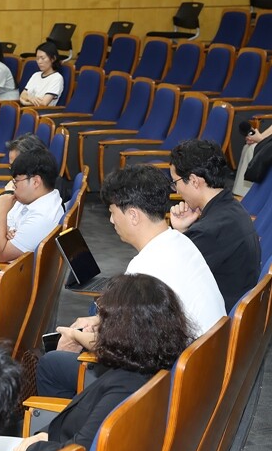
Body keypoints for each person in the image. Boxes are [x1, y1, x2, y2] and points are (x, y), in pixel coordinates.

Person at [36, 164, 225, 398]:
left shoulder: (144, 270)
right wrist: (98, 320)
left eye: (112, 212)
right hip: (201, 366)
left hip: (169, 383)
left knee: (51, 364)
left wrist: (75, 336)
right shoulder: (180, 241)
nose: (111, 220)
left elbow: (121, 349)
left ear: (133, 215)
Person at [12, 274, 190, 451]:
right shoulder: (154, 367)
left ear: (121, 329)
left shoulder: (124, 387)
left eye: (104, 318)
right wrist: (46, 436)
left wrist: (31, 449)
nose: (99, 325)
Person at [169, 139, 261, 312]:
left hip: (216, 319)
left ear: (194, 181)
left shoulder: (209, 231)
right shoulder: (230, 209)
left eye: (176, 182)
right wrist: (182, 230)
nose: (176, 190)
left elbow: (168, 280)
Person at [0, 148, 63, 263]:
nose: (13, 186)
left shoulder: (42, 217)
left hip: (10, 270)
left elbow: (0, 256)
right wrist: (6, 230)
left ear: (36, 182)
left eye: (16, 181)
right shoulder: (31, 198)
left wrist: (2, 212)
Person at [19, 41, 63, 107]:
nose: (39, 62)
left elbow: (43, 103)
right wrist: (29, 98)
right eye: (37, 58)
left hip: (41, 111)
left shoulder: (57, 78)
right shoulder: (36, 75)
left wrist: (25, 102)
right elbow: (23, 95)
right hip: (28, 109)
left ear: (53, 58)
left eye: (42, 58)